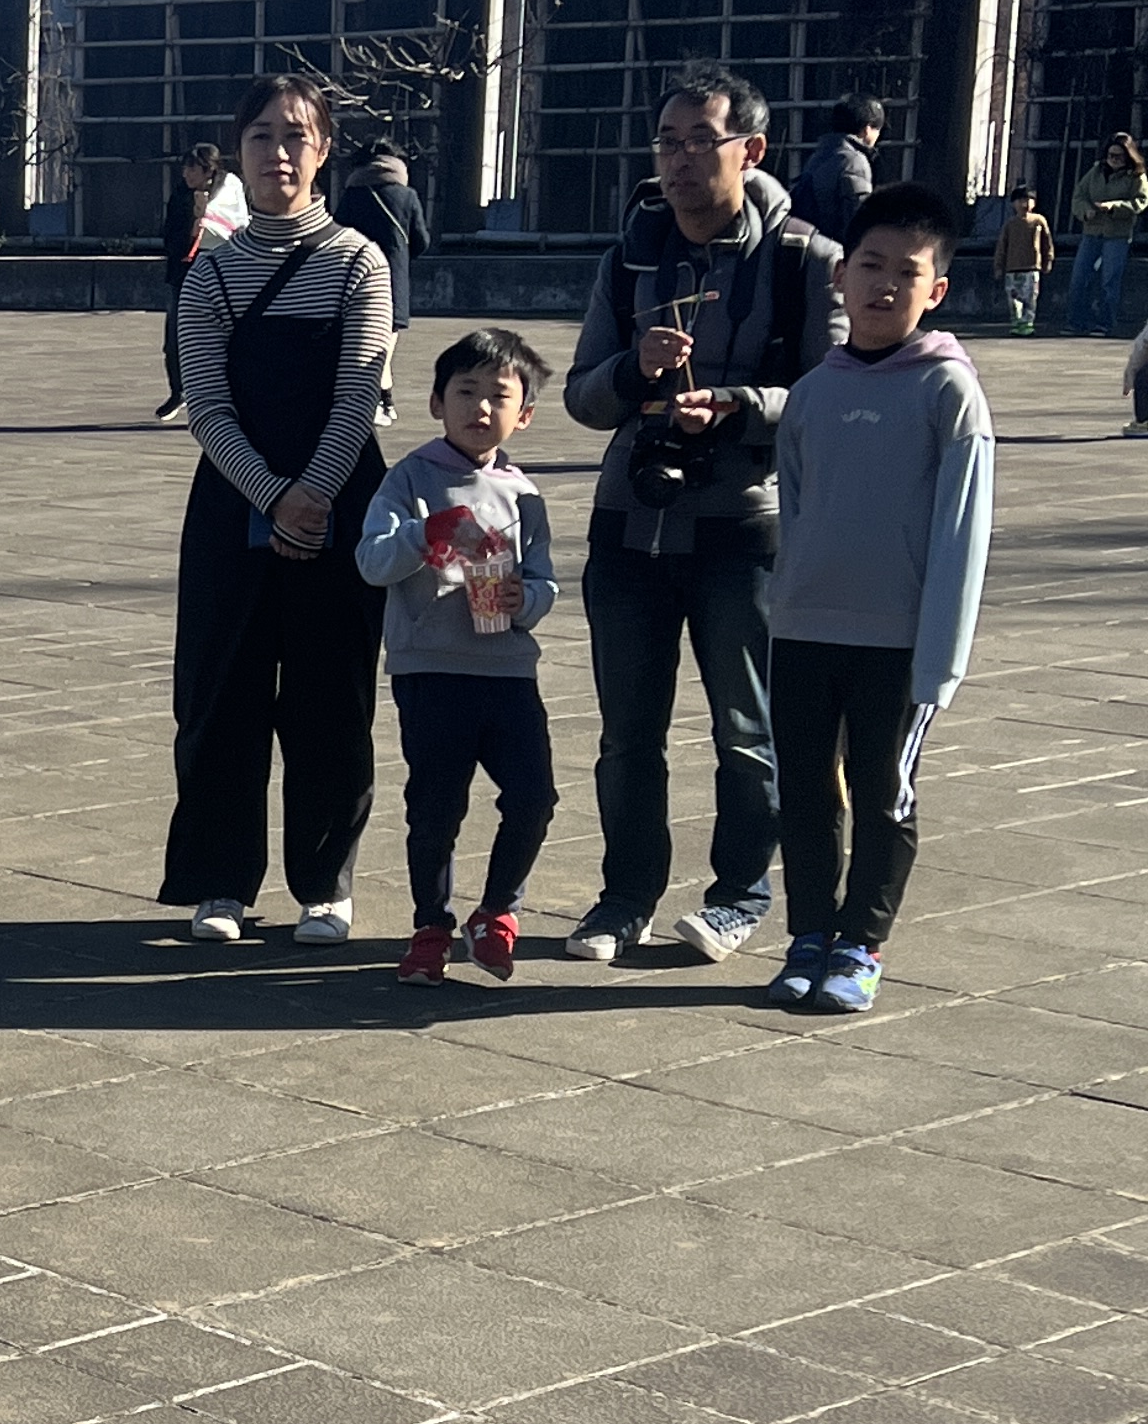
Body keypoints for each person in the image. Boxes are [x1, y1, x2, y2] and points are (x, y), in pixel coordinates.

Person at [559, 64, 843, 969]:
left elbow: (830, 400)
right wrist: (634, 369)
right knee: (626, 737)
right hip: (630, 524)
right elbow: (581, 396)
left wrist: (739, 406)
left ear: (750, 150)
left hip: (742, 530)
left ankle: (738, 896)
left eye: (700, 141)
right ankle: (625, 897)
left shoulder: (806, 260)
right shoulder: (629, 257)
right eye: (668, 142)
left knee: (746, 733)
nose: (680, 161)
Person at [158, 71, 394, 946]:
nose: (279, 153)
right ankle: (220, 880)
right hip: (233, 506)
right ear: (238, 152)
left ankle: (325, 883)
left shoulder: (359, 261)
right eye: (261, 136)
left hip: (340, 500)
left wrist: (315, 494)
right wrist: (271, 495)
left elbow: (360, 391)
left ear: (323, 150)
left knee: (333, 697)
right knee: (221, 694)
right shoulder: (212, 272)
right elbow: (206, 404)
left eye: (297, 136)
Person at [762, 184, 993, 1019]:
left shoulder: (948, 392)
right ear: (842, 276)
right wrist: (785, 606)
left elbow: (963, 535)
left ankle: (861, 941)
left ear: (937, 289)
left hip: (898, 639)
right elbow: (794, 510)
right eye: (870, 265)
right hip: (804, 628)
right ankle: (809, 935)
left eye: (907, 272)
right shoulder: (812, 394)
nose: (884, 285)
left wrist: (941, 662)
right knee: (805, 792)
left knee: (883, 792)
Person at [357, 330, 559, 988]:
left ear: (524, 415)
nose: (481, 408)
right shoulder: (410, 478)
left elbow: (544, 580)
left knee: (533, 796)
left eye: (499, 396)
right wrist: (424, 534)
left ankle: (497, 912)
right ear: (437, 403)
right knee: (436, 807)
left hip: (507, 669)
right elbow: (372, 561)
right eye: (465, 392)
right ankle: (430, 926)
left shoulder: (524, 494)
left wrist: (525, 599)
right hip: (432, 669)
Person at [335, 139, 429, 425]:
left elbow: (337, 236)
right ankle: (381, 402)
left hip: (355, 280)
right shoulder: (407, 196)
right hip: (393, 282)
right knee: (384, 347)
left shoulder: (352, 195)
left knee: (359, 345)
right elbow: (422, 240)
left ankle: (379, 401)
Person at [155, 142, 235, 420]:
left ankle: (226, 394)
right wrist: (193, 225)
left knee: (225, 337)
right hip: (184, 272)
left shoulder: (230, 189)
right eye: (185, 168)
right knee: (175, 337)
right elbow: (169, 236)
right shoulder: (181, 195)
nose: (186, 174)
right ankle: (179, 391)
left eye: (192, 168)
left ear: (208, 170)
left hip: (223, 272)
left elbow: (242, 224)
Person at [1066, 132, 1146, 335]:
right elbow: (1079, 196)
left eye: (1118, 156)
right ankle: (1076, 322)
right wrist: (1085, 211)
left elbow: (1140, 202)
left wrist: (1114, 207)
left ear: (1128, 156)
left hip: (1117, 235)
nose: (1113, 160)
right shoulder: (1096, 171)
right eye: (1111, 155)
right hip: (1092, 232)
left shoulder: (1136, 177)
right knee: (1079, 278)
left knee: (1109, 281)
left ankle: (1105, 323)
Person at [792, 95, 883, 248]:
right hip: (837, 249)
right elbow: (858, 217)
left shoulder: (819, 155)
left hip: (812, 244)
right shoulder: (854, 161)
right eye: (878, 129)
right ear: (867, 129)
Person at [995, 183, 1053, 333]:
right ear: (1013, 204)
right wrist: (999, 266)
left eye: (1029, 200)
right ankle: (1016, 323)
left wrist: (1048, 260)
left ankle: (1027, 324)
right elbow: (1002, 246)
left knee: (1031, 297)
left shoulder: (1039, 221)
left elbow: (1047, 242)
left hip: (1032, 267)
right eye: (1020, 201)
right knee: (1013, 298)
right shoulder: (1010, 224)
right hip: (1012, 268)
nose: (1024, 204)